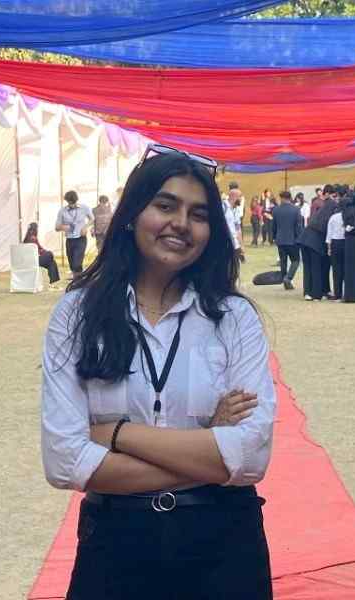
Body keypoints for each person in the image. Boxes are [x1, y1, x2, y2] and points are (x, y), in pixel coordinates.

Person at [41, 144, 276, 600]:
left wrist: (114, 434)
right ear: (132, 214)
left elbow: (251, 457)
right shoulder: (77, 314)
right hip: (115, 545)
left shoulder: (234, 318)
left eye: (198, 214)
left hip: (224, 545)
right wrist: (208, 448)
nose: (181, 224)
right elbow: (64, 462)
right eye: (165, 206)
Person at [55, 190, 94, 278]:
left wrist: (85, 227)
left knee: (77, 262)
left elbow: (92, 219)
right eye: (69, 203)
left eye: (73, 202)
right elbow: (56, 227)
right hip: (69, 240)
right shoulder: (62, 211)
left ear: (76, 200)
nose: (72, 205)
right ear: (67, 201)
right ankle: (77, 278)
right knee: (72, 264)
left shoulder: (84, 208)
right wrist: (63, 227)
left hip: (81, 238)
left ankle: (78, 278)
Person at [272, 191, 302, 290]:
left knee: (283, 261)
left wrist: (274, 237)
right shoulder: (296, 209)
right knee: (295, 260)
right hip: (292, 240)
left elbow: (274, 226)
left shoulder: (276, 210)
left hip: (280, 240)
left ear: (282, 198)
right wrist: (299, 238)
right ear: (290, 198)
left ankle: (285, 280)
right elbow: (298, 226)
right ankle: (288, 278)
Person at [326, 202, 345, 301]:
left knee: (336, 270)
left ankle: (337, 293)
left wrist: (329, 248)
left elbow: (329, 234)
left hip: (335, 243)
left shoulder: (333, 217)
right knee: (346, 269)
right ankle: (346, 292)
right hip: (346, 243)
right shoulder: (348, 217)